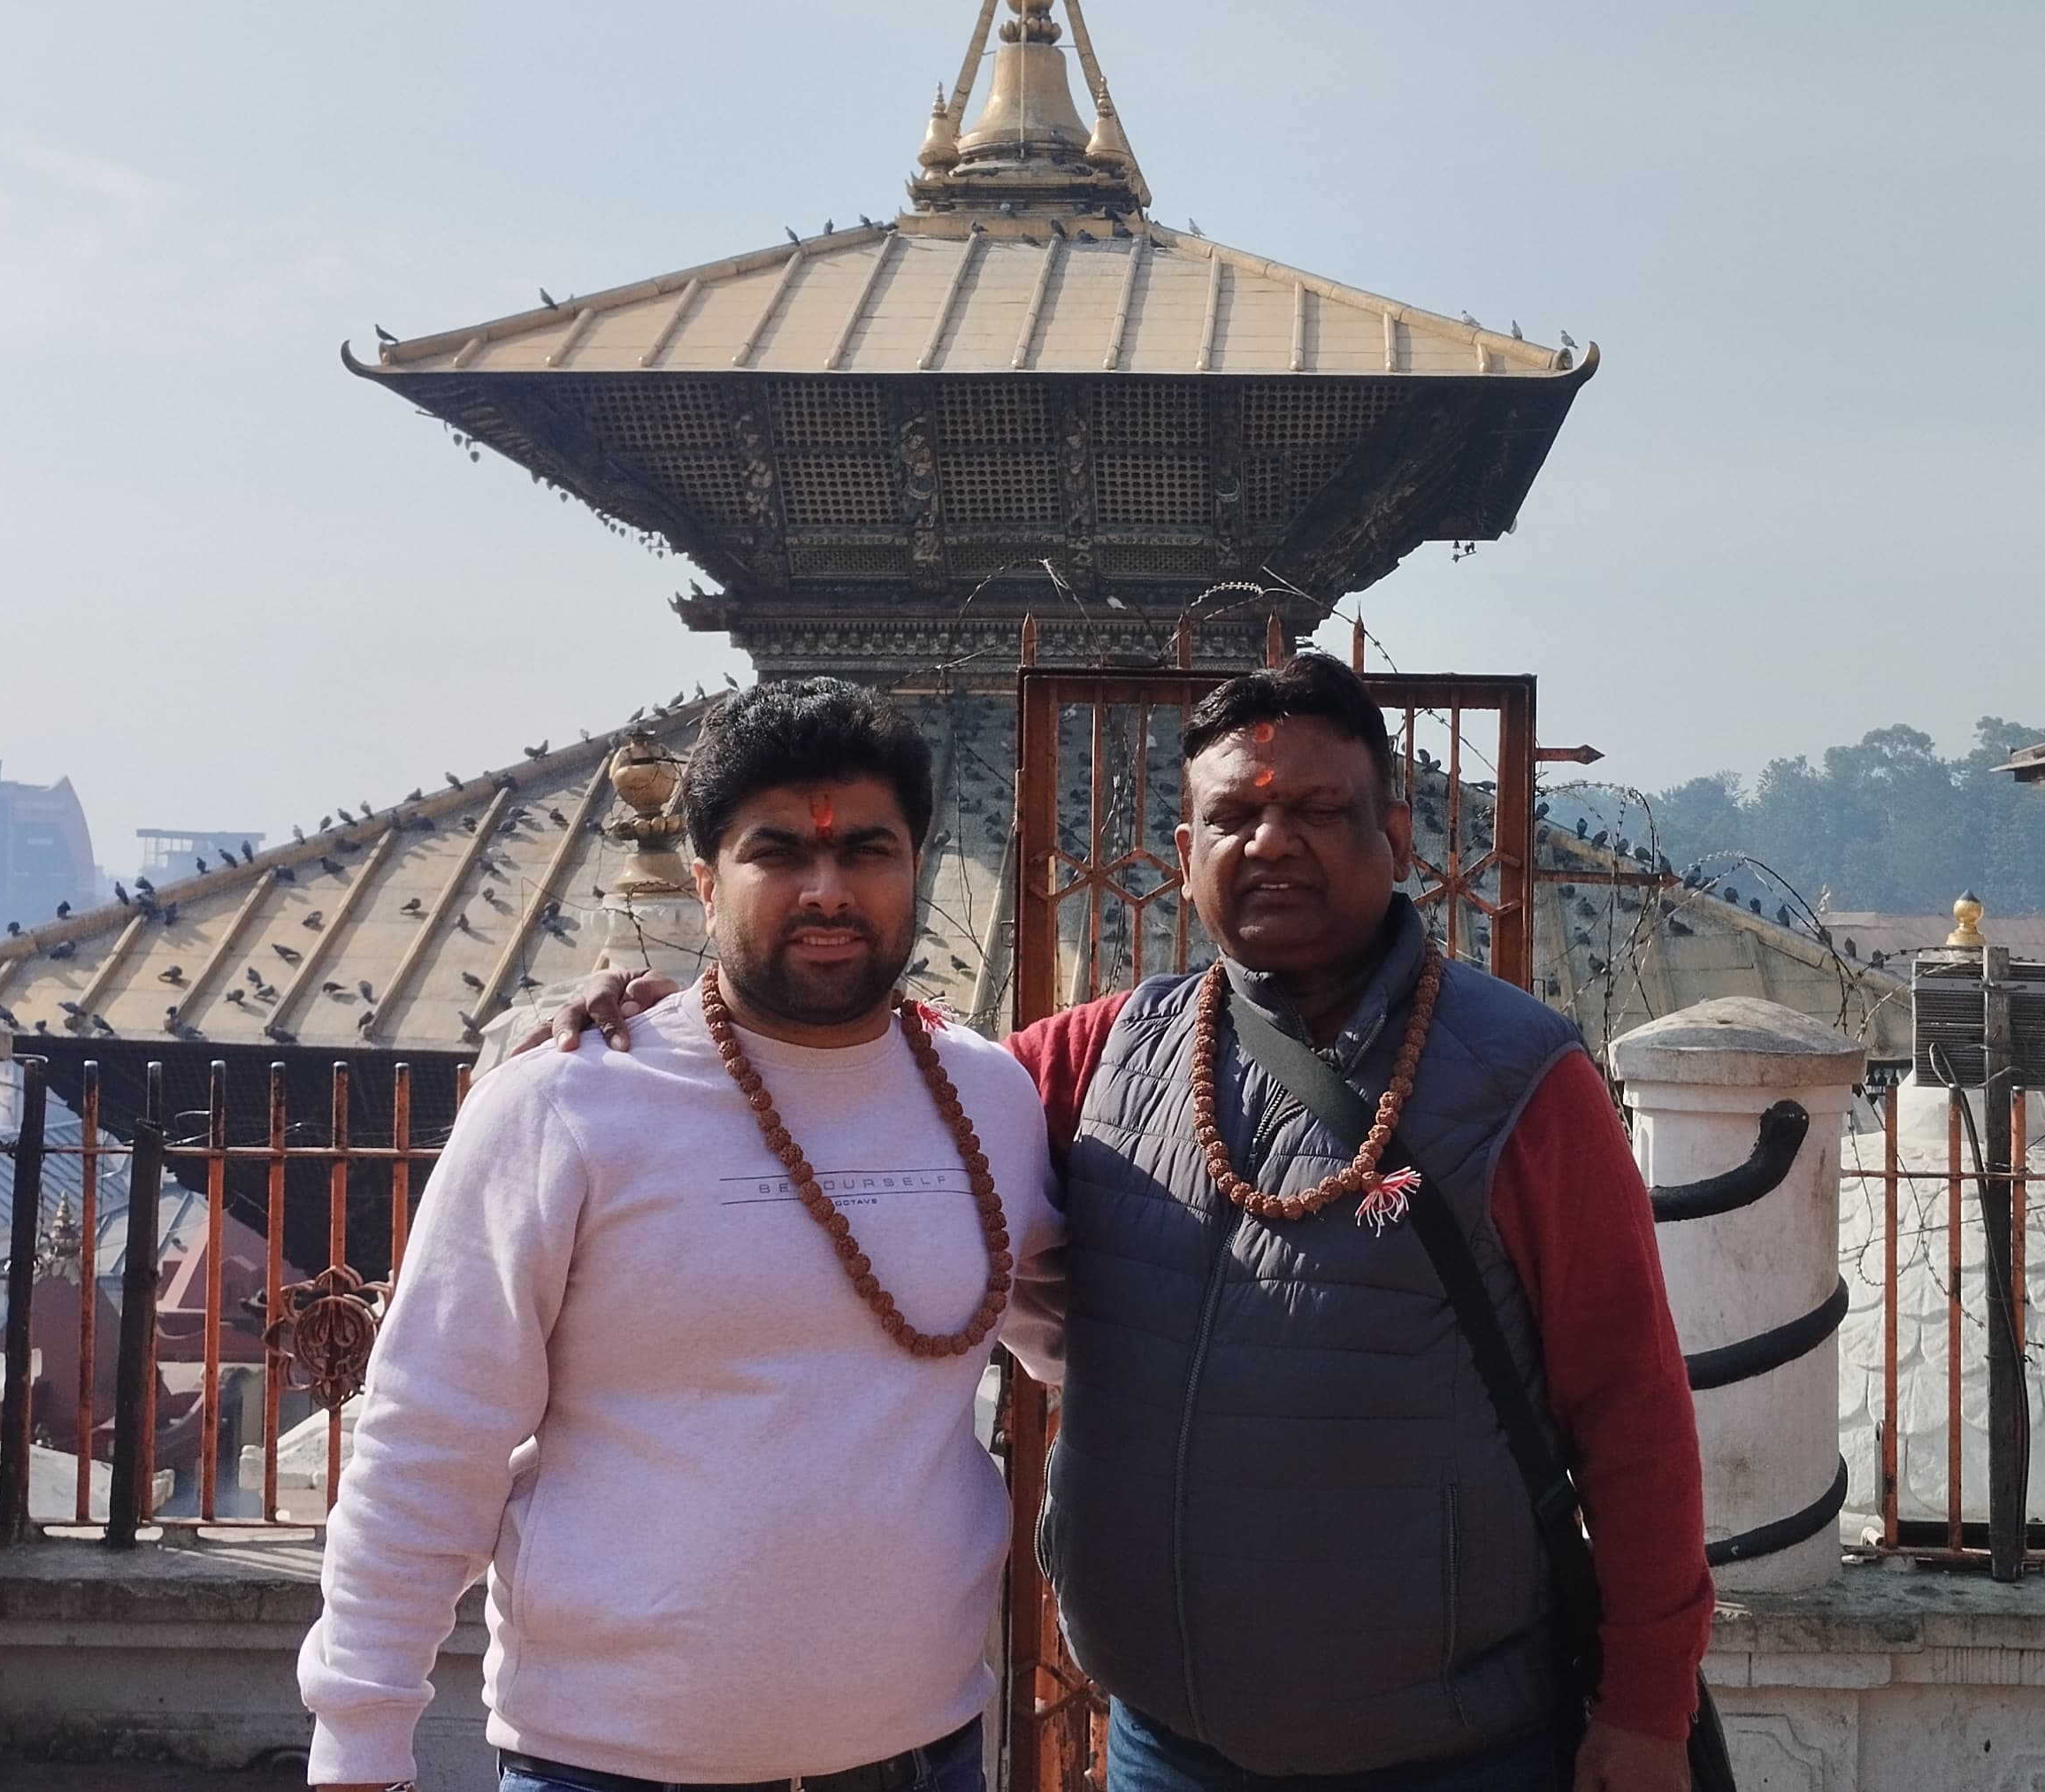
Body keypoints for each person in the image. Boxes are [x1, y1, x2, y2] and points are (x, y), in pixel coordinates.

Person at [559, 655, 1707, 1792]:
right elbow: (880, 1099)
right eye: (1235, 817)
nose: (1272, 843)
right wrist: (684, 1030)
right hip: (1165, 1743)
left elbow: (1634, 1409)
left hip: (1459, 1750)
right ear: (1186, 851)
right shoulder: (1102, 1055)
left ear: (1396, 838)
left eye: (1317, 810)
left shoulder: (1520, 1081)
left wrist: (1648, 1708)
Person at [303, 679, 1063, 1792]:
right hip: (608, 1761)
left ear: (918, 868)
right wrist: (358, 1741)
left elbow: (1087, 1331)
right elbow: (431, 1436)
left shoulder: (988, 1100)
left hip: (920, 1749)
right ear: (705, 883)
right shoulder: (565, 1105)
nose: (827, 889)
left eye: (866, 850)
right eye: (777, 853)